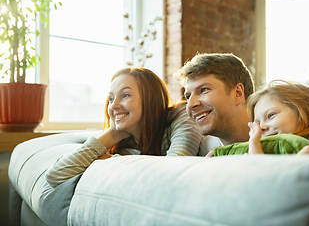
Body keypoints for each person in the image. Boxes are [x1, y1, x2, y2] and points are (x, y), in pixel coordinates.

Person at [175, 53, 309, 160]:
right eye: (188, 96)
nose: (191, 104)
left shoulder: (301, 109)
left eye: (204, 90)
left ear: (238, 93)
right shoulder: (204, 146)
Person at [46, 67, 203, 188]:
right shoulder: (125, 144)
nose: (113, 105)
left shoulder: (180, 114)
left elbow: (177, 167)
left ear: (150, 99)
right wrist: (113, 134)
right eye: (111, 98)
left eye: (125, 95)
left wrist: (112, 162)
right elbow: (56, 175)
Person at [208, 80, 309, 157]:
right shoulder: (273, 148)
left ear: (304, 112)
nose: (261, 127)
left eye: (271, 115)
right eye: (258, 122)